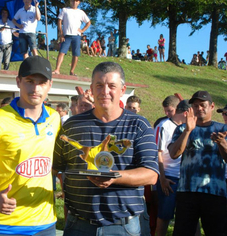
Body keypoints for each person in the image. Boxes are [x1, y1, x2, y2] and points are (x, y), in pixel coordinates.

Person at [53, 61, 159, 235]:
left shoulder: (139, 125)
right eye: (99, 85)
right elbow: (55, 167)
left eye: (111, 86)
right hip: (78, 224)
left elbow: (151, 174)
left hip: (123, 226)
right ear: (92, 89)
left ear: (122, 90)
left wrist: (114, 177)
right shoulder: (72, 126)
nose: (105, 91)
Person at [0, 56, 61, 235]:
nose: (36, 88)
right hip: (4, 225)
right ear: (18, 82)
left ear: (50, 85)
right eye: (30, 81)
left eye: (42, 83)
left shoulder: (55, 119)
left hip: (45, 224)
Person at [168, 91, 227, 236]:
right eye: (195, 106)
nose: (199, 108)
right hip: (187, 192)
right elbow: (174, 154)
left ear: (212, 106)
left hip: (215, 192)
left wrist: (222, 143)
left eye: (203, 105)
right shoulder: (181, 129)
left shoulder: (225, 130)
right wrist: (188, 131)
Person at [155, 100, 190, 236]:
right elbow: (157, 153)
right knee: (164, 216)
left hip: (185, 178)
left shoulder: (188, 127)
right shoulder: (164, 126)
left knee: (187, 218)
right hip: (169, 176)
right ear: (186, 113)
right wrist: (162, 178)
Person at [52, 0, 91, 76]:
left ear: (79, 2)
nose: (74, 2)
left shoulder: (81, 12)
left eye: (76, 1)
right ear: (70, 1)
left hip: (76, 35)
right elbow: (59, 21)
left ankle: (72, 71)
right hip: (66, 35)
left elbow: (88, 22)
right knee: (62, 52)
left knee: (75, 54)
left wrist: (82, 30)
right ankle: (57, 69)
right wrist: (61, 33)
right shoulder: (65, 10)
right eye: (73, 1)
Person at [217, 103, 227, 235]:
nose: (224, 116)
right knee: (223, 214)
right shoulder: (222, 131)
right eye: (223, 113)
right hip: (223, 178)